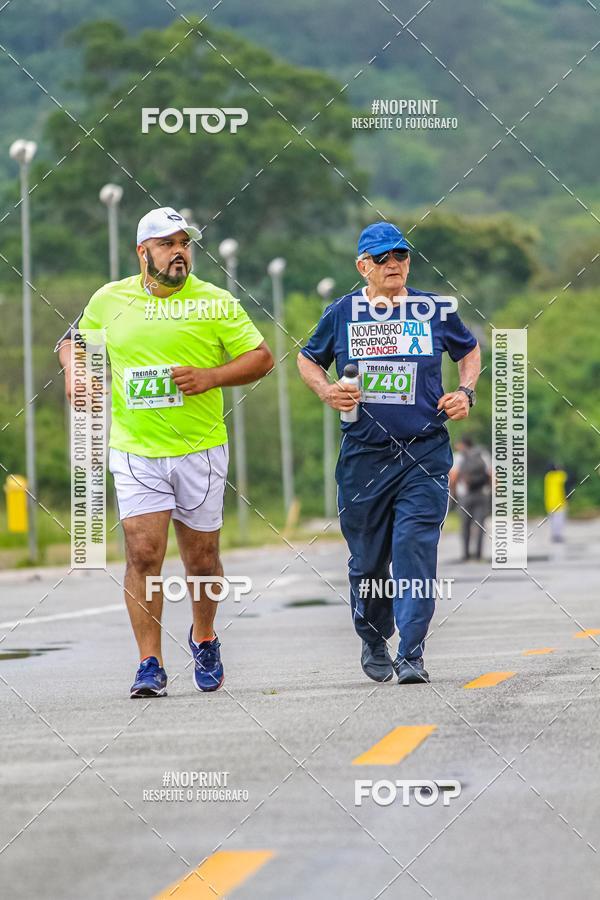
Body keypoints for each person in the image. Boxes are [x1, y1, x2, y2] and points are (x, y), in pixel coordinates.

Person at [56, 207, 274, 698]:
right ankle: (149, 663)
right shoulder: (109, 299)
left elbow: (262, 358)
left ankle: (203, 636)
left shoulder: (214, 301)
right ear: (143, 251)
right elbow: (72, 342)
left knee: (201, 560)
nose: (179, 252)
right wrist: (75, 371)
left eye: (184, 243)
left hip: (200, 449)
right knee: (143, 554)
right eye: (166, 243)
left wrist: (211, 378)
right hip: (136, 450)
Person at [297, 222, 480, 685]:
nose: (393, 264)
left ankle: (413, 652)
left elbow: (470, 350)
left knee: (414, 548)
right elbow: (306, 358)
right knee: (369, 560)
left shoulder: (433, 309)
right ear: (363, 266)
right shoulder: (342, 312)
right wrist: (326, 391)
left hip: (424, 451)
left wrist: (466, 392)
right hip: (364, 457)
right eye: (382, 258)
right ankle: (374, 635)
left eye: (400, 255)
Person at [449, 435, 491, 561]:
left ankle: (466, 554)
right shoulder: (483, 455)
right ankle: (478, 554)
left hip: (464, 495)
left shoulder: (458, 456)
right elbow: (491, 474)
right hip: (482, 493)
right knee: (480, 524)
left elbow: (454, 476)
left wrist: (453, 493)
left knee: (465, 524)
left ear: (462, 444)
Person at [544, 463, 568, 543]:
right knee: (559, 520)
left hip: (549, 502)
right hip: (559, 502)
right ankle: (558, 536)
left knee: (552, 520)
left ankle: (553, 535)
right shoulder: (560, 476)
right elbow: (565, 478)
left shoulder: (548, 476)